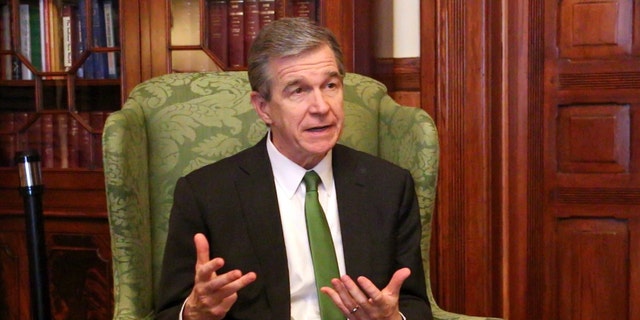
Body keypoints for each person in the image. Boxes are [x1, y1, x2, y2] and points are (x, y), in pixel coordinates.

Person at [155, 17, 432, 320]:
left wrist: (392, 318)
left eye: (330, 85)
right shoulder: (206, 194)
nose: (321, 107)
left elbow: (414, 303)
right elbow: (170, 311)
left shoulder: (389, 186)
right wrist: (195, 313)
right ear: (263, 108)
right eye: (297, 91)